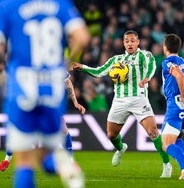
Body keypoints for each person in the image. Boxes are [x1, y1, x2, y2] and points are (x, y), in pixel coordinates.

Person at [0, 0, 90, 188]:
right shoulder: (60, 5)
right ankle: (63, 165)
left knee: (24, 160)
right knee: (46, 154)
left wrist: (0, 58)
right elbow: (82, 37)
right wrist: (68, 60)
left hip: (23, 90)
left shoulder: (7, 6)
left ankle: (57, 163)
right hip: (51, 91)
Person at [71, 30, 173, 178]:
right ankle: (120, 148)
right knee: (111, 135)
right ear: (124, 43)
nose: (130, 43)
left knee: (153, 132)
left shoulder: (145, 55)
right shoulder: (116, 60)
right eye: (127, 41)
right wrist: (82, 66)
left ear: (138, 42)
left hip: (139, 98)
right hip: (120, 100)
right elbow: (99, 71)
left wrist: (146, 78)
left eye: (132, 40)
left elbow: (151, 67)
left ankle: (166, 164)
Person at [0, 74, 86, 172]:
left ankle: (70, 161)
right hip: (29, 102)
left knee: (63, 129)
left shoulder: (54, 62)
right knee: (17, 129)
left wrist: (75, 102)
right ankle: (7, 159)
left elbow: (67, 82)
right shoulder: (28, 64)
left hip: (48, 102)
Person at [160, 33, 184, 180]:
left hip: (177, 105)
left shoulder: (168, 61)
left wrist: (182, 97)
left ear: (165, 47)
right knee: (177, 139)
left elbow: (180, 76)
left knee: (166, 144)